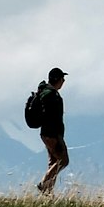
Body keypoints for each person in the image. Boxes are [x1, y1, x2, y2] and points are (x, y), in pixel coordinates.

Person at [36, 67, 69, 197]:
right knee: (63, 160)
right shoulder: (52, 95)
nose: (63, 81)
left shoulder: (45, 93)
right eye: (62, 79)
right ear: (57, 79)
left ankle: (48, 193)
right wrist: (59, 138)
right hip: (52, 134)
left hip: (46, 133)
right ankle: (44, 184)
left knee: (53, 161)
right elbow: (53, 117)